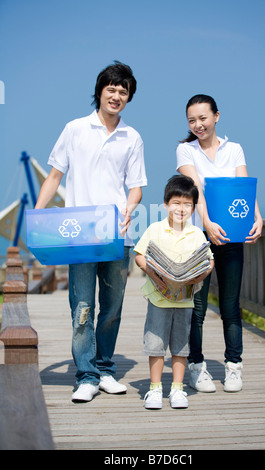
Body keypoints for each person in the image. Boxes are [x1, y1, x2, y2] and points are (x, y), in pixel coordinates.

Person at [35, 61, 147, 402]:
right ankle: (86, 375)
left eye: (123, 91)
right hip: (79, 234)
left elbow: (136, 185)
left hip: (117, 234)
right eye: (111, 89)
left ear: (128, 98)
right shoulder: (74, 129)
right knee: (82, 306)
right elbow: (54, 176)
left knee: (111, 308)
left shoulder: (133, 137)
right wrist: (38, 215)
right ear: (99, 91)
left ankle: (106, 370)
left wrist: (130, 206)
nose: (116, 95)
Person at [176, 94, 263, 393]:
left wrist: (258, 217)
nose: (198, 124)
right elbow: (195, 188)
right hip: (198, 237)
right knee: (197, 308)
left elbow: (244, 187)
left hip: (231, 237)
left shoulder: (234, 149)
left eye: (203, 118)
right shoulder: (185, 150)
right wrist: (208, 223)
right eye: (192, 120)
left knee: (230, 305)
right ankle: (196, 367)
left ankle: (234, 366)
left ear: (216, 116)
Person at [134, 175, 214, 409]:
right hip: (158, 298)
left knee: (181, 346)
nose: (181, 208)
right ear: (166, 203)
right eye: (176, 203)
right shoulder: (154, 229)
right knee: (156, 345)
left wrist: (198, 277)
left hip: (185, 300)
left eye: (187, 204)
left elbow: (209, 262)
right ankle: (155, 389)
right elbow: (139, 255)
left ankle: (177, 390)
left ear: (193, 207)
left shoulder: (197, 233)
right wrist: (154, 275)